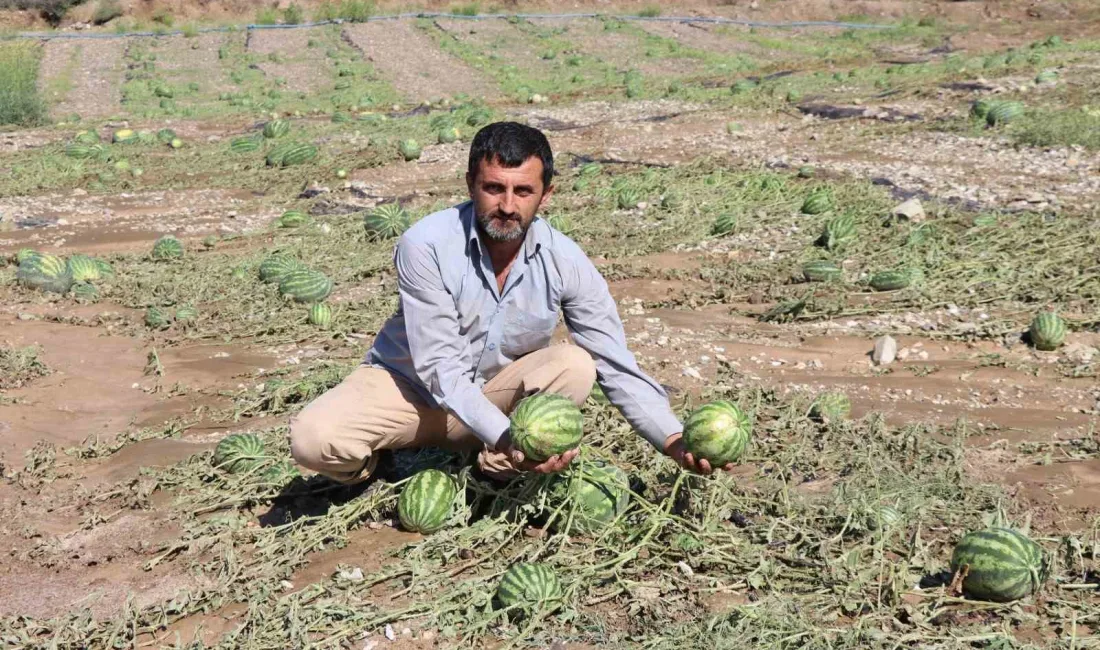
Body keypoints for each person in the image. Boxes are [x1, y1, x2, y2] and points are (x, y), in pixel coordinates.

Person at [289, 121, 732, 483]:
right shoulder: (426, 244)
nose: (506, 205)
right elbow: (441, 368)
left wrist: (672, 439)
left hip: (493, 401)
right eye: (493, 188)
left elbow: (615, 363)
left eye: (522, 192)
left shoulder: (564, 260)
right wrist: (506, 434)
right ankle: (377, 466)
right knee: (313, 438)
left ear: (546, 195)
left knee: (576, 364)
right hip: (409, 392)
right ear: (470, 184)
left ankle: (497, 471)